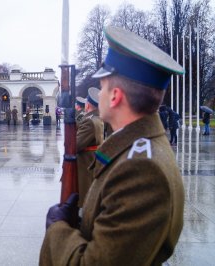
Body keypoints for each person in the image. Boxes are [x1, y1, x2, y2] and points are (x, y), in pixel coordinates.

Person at [40, 26, 185, 266]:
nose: (100, 94)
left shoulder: (142, 170)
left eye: (104, 86)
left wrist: (58, 229)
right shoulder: (138, 149)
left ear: (115, 96)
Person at [75, 87, 104, 207]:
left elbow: (76, 145)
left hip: (85, 162)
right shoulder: (96, 119)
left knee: (83, 193)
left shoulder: (90, 121)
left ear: (88, 105)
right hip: (91, 159)